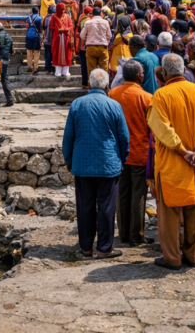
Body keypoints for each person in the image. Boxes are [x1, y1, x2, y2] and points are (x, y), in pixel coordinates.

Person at [147, 53, 195, 270]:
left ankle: (172, 258)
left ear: (165, 73)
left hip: (172, 164)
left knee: (168, 214)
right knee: (194, 212)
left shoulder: (160, 95)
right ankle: (192, 255)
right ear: (184, 70)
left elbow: (162, 130)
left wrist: (182, 151)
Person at [62, 68, 129, 259]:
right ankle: (104, 248)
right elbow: (123, 137)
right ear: (107, 85)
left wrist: (69, 160)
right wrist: (122, 158)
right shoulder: (114, 105)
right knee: (107, 207)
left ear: (90, 84)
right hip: (108, 164)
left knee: (85, 207)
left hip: (82, 165)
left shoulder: (76, 104)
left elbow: (68, 137)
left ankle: (86, 248)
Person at [108, 60, 153, 246]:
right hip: (140, 153)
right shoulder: (146, 97)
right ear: (138, 76)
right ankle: (136, 235)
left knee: (122, 194)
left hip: (118, 153)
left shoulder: (112, 94)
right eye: (142, 73)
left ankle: (124, 233)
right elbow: (152, 128)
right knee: (138, 195)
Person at [80, 6, 111, 77]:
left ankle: (92, 85)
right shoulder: (106, 22)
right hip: (103, 48)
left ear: (92, 14)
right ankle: (104, 86)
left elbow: (82, 35)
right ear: (100, 13)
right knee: (104, 70)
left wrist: (87, 39)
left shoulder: (88, 22)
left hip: (90, 48)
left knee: (91, 70)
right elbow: (109, 36)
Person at [0, 21, 15, 108]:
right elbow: (11, 49)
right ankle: (9, 98)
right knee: (5, 79)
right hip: (6, 59)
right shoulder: (8, 36)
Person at [49, 2, 74, 77]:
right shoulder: (53, 16)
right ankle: (58, 71)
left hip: (66, 37)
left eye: (63, 9)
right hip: (57, 38)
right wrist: (57, 29)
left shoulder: (67, 16)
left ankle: (65, 71)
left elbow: (71, 26)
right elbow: (50, 27)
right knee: (57, 53)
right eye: (61, 9)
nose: (63, 11)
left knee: (67, 54)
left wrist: (66, 29)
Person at [25, 5, 43, 73]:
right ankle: (35, 68)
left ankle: (30, 67)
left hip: (29, 35)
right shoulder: (39, 18)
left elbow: (27, 25)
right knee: (36, 52)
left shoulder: (29, 17)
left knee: (29, 52)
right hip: (36, 36)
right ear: (38, 11)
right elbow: (40, 28)